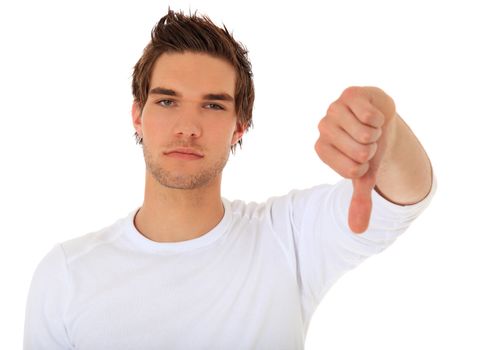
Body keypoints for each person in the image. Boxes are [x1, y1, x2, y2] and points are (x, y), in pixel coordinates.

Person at [23, 9, 436, 350]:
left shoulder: (286, 239)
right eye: (167, 100)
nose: (187, 126)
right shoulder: (66, 274)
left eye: (213, 106)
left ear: (240, 126)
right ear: (138, 115)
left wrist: (388, 129)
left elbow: (404, 197)